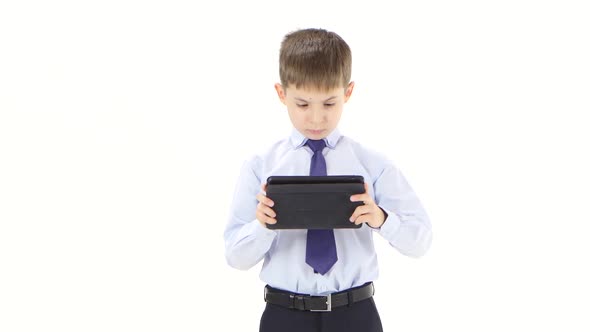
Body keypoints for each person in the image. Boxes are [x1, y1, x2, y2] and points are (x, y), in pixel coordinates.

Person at [224, 28, 432, 332]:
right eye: (303, 104)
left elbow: (421, 240)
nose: (316, 118)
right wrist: (264, 225)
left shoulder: (372, 164)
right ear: (282, 94)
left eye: (329, 103)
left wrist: (381, 218)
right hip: (285, 314)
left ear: (348, 92)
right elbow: (235, 256)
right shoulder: (260, 166)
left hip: (355, 314)